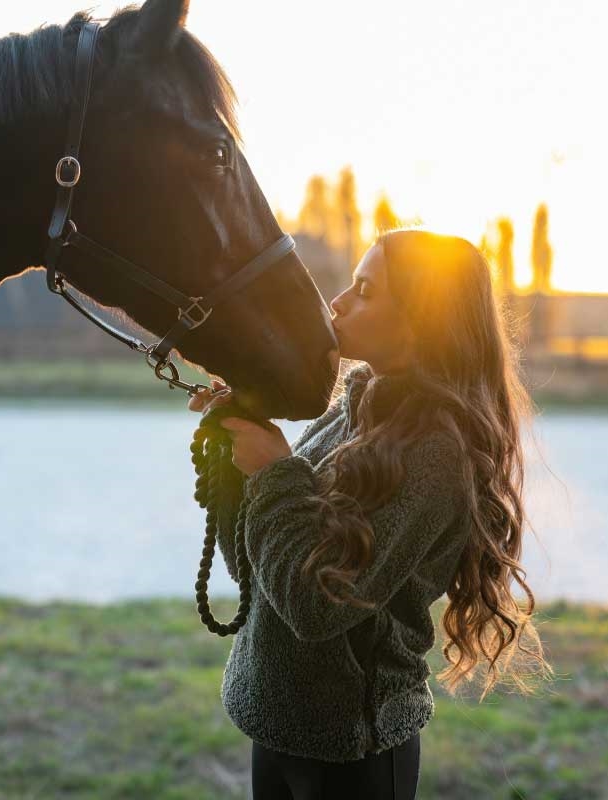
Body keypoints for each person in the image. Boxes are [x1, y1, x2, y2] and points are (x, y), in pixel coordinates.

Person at [187, 228, 553, 800]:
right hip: (277, 727)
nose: (338, 302)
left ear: (421, 318)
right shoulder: (353, 408)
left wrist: (275, 471)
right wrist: (239, 460)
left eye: (364, 289)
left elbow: (315, 607)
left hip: (353, 752)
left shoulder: (438, 452)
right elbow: (263, 575)